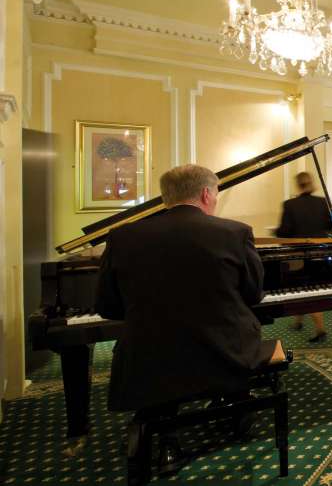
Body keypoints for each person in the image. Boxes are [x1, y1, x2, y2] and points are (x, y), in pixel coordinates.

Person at [96, 164, 287, 474]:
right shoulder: (234, 233)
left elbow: (108, 306)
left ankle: (167, 442)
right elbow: (253, 295)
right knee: (233, 333)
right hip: (225, 351)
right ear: (205, 193)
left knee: (163, 351)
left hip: (148, 356)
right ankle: (237, 409)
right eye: (216, 194)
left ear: (165, 197)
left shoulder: (122, 237)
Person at [276, 172, 332, 342]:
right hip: (321, 252)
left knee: (305, 290)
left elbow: (284, 231)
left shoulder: (290, 204)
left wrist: (276, 232)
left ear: (298, 185)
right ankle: (298, 321)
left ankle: (320, 329)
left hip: (299, 254)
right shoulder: (322, 202)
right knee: (308, 286)